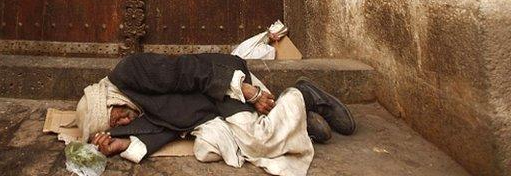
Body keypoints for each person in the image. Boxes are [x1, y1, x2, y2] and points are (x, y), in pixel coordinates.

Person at [75, 53, 355, 176]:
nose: (126, 122)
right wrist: (125, 143)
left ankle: (304, 95)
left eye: (118, 117)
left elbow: (186, 72)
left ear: (108, 100)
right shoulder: (130, 110)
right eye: (118, 126)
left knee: (257, 141)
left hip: (220, 84)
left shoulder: (130, 71)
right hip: (207, 112)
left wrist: (244, 89)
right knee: (214, 149)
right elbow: (169, 126)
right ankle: (300, 121)